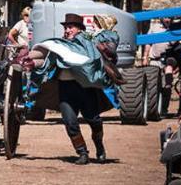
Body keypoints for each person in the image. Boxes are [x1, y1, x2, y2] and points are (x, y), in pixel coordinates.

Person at [24, 13, 116, 164]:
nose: (67, 30)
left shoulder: (88, 42)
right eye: (65, 27)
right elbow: (46, 61)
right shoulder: (60, 46)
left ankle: (99, 147)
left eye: (70, 27)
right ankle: (82, 153)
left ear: (79, 29)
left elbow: (103, 54)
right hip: (65, 88)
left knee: (94, 120)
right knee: (70, 122)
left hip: (85, 88)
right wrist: (32, 63)